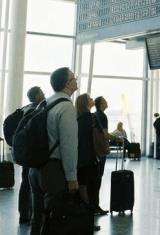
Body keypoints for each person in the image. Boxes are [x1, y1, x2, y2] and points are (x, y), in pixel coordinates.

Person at [29, 68, 80, 235]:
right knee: (53, 220)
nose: (76, 80)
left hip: (35, 169)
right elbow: (69, 145)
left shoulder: (45, 103)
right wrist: (72, 177)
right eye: (74, 78)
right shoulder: (66, 107)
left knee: (37, 217)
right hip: (53, 171)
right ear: (67, 83)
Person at [17, 86, 46, 225]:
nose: (45, 95)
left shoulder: (25, 109)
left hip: (24, 154)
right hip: (32, 154)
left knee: (25, 184)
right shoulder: (36, 111)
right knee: (32, 186)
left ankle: (24, 214)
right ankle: (31, 215)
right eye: (42, 93)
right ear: (37, 97)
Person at [92, 96, 123, 215]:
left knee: (95, 178)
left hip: (95, 151)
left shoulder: (95, 114)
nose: (107, 102)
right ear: (101, 104)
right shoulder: (102, 116)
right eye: (105, 101)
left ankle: (94, 204)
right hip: (100, 151)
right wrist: (118, 139)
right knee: (98, 177)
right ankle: (95, 206)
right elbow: (105, 134)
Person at [75, 94, 103, 232]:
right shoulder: (92, 117)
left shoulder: (75, 118)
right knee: (92, 193)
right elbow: (101, 136)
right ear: (86, 103)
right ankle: (89, 224)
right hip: (90, 160)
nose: (93, 100)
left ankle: (78, 222)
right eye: (90, 99)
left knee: (80, 193)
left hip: (77, 161)